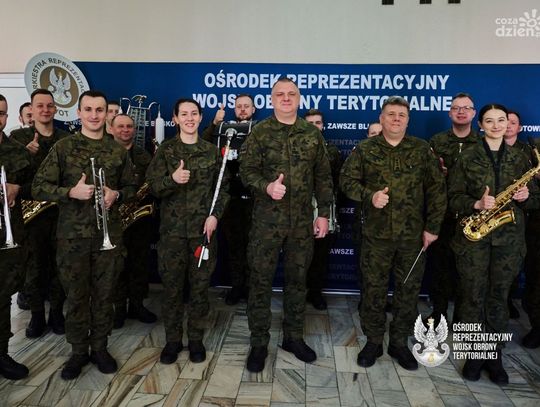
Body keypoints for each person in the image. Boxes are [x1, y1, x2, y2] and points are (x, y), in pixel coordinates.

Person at [32, 90, 137, 380]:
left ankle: (100, 348)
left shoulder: (117, 150)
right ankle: (78, 351)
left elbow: (132, 188)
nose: (94, 115)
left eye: (99, 110)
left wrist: (117, 194)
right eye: (88, 109)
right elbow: (38, 187)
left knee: (104, 296)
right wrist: (70, 192)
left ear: (107, 114)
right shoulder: (64, 147)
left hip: (108, 237)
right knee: (77, 297)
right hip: (72, 238)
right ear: (79, 113)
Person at [340, 96, 446, 371]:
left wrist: (432, 228)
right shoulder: (365, 149)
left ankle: (399, 342)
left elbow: (437, 191)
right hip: (375, 237)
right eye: (391, 114)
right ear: (382, 118)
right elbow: (346, 181)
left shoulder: (421, 149)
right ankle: (374, 341)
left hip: (412, 238)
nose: (396, 118)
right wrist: (370, 195)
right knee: (373, 290)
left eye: (401, 115)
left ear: (408, 120)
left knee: (407, 292)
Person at [239, 78, 333, 373]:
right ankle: (258, 343)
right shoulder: (260, 132)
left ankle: (293, 338)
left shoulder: (311, 134)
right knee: (260, 282)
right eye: (280, 94)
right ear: (272, 100)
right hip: (266, 222)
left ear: (299, 98)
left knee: (297, 281)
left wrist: (324, 214)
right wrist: (267, 186)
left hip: (301, 223)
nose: (286, 98)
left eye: (291, 94)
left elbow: (323, 176)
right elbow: (246, 171)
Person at [448, 103, 539, 384]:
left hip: (509, 241)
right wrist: (476, 203)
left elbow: (536, 200)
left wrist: (526, 197)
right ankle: (476, 353)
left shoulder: (521, 158)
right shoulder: (467, 156)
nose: (497, 125)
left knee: (499, 297)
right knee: (473, 296)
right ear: (481, 125)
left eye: (502, 120)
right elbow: (453, 198)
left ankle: (494, 356)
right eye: (490, 120)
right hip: (474, 240)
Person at [146, 98, 229, 365]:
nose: (190, 118)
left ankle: (195, 340)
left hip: (203, 234)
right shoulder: (166, 151)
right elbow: (152, 186)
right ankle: (172, 341)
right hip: (171, 235)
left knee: (200, 290)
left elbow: (223, 189)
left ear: (201, 117)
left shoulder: (211, 152)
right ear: (175, 119)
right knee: (172, 290)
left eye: (194, 113)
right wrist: (172, 180)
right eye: (184, 114)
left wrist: (215, 216)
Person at [11, 89, 71, 338]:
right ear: (32, 110)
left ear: (55, 109)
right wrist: (25, 155)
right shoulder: (18, 139)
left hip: (59, 215)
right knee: (33, 268)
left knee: (60, 267)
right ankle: (36, 316)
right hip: (30, 217)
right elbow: (10, 180)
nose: (45, 110)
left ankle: (56, 313)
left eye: (49, 106)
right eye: (40, 106)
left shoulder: (66, 139)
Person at [427, 92, 481, 325]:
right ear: (450, 113)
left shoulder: (481, 143)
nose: (461, 111)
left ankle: (461, 318)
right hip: (442, 215)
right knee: (439, 268)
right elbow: (426, 177)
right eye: (456, 108)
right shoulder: (437, 141)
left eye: (466, 108)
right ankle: (438, 314)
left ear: (474, 113)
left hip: (472, 216)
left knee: (467, 272)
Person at [202, 94, 256, 305]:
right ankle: (237, 287)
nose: (242, 109)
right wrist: (215, 123)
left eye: (246, 106)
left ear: (253, 109)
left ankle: (251, 289)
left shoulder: (260, 130)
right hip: (230, 199)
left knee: (253, 247)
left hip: (254, 199)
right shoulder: (223, 130)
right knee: (234, 246)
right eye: (239, 106)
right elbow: (203, 144)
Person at [110, 114, 157, 328]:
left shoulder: (144, 155)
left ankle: (137, 305)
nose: (125, 130)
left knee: (139, 264)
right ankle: (118, 308)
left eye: (129, 126)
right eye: (120, 126)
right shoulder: (105, 153)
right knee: (117, 266)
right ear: (111, 129)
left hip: (139, 220)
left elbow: (152, 185)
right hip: (114, 219)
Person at [0, 94, 32, 380]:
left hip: (7, 236)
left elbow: (37, 184)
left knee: (2, 298)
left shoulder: (17, 152)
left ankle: (1, 354)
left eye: (1, 113)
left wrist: (17, 187)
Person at [304, 109, 342, 310]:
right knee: (298, 256)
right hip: (299, 209)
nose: (314, 127)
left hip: (323, 209)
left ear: (323, 126)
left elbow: (332, 177)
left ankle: (315, 292)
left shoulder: (332, 150)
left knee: (320, 256)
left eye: (317, 123)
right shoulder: (293, 149)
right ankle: (297, 294)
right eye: (309, 123)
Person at [503, 110, 531, 319]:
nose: (508, 125)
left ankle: (508, 301)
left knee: (513, 265)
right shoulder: (482, 150)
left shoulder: (529, 153)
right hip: (493, 216)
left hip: (520, 217)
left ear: (520, 128)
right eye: (506, 121)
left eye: (513, 122)